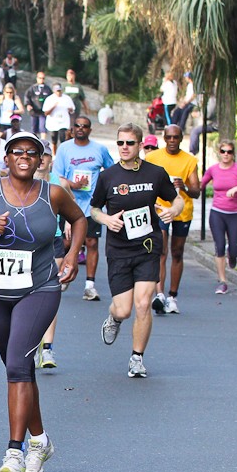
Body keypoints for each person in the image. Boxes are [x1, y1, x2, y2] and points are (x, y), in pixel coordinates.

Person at [0, 131, 85, 472]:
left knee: (17, 367)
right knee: (20, 369)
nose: (24, 156)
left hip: (40, 288)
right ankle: (40, 440)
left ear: (40, 160)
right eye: (17, 151)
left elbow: (79, 219)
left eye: (32, 152)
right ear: (6, 157)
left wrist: (72, 255)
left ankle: (15, 451)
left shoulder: (53, 193)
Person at [90, 123, 184, 378]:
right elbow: (94, 209)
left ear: (140, 145)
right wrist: (106, 220)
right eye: (120, 143)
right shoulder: (108, 176)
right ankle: (114, 318)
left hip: (147, 247)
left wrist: (174, 210)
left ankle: (137, 358)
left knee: (143, 304)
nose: (124, 147)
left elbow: (177, 198)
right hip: (119, 250)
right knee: (124, 309)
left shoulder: (155, 173)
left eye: (130, 143)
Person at [53, 115, 114, 301]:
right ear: (72, 129)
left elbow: (111, 171)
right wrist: (73, 184)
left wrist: (102, 188)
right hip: (68, 204)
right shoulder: (64, 148)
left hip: (91, 205)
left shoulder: (99, 149)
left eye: (85, 126)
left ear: (90, 130)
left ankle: (90, 286)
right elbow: (57, 177)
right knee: (66, 243)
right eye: (77, 126)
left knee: (92, 242)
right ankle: (64, 274)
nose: (81, 128)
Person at [145, 124, 201, 314]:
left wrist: (184, 186)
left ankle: (172, 296)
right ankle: (159, 295)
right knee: (161, 251)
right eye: (168, 137)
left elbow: (196, 192)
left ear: (181, 139)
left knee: (177, 252)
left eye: (175, 137)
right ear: (164, 138)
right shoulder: (153, 158)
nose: (171, 141)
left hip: (182, 212)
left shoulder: (189, 160)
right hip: (160, 209)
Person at [199, 140, 237, 294]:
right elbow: (200, 185)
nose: (226, 154)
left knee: (234, 249)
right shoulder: (213, 170)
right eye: (223, 151)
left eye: (229, 152)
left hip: (235, 215)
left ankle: (232, 255)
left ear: (233, 154)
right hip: (217, 213)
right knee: (219, 247)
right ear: (219, 153)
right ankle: (222, 281)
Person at [33, 142, 71, 369]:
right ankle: (30, 343)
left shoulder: (59, 183)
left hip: (53, 241)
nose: (42, 160)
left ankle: (47, 349)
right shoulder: (23, 180)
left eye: (46, 155)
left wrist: (69, 223)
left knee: (50, 293)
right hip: (28, 243)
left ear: (50, 160)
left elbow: (73, 209)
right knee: (28, 294)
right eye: (39, 155)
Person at [42, 83, 74, 147]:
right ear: (54, 90)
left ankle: (62, 151)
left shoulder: (67, 98)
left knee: (63, 139)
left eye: (60, 90)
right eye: (57, 91)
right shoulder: (49, 99)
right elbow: (46, 113)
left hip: (63, 122)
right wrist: (54, 106)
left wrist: (70, 109)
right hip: (53, 123)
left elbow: (72, 110)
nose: (59, 92)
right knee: (54, 140)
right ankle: (54, 152)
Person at [24, 72, 51, 140]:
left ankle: (43, 141)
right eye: (40, 78)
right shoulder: (32, 88)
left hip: (43, 111)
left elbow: (51, 98)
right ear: (37, 78)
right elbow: (27, 97)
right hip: (34, 111)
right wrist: (28, 105)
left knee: (43, 127)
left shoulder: (47, 89)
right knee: (33, 127)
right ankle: (33, 141)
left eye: (43, 78)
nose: (41, 80)